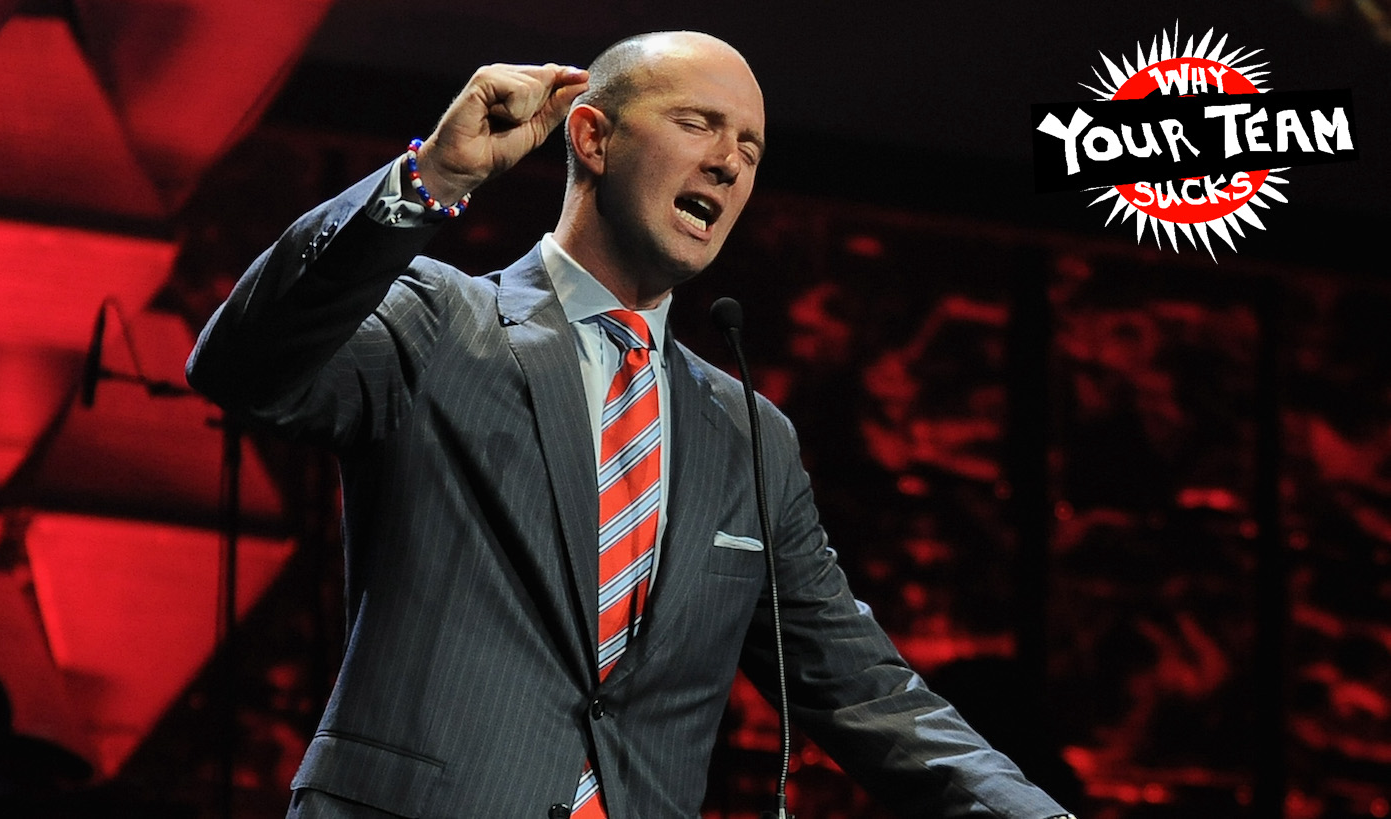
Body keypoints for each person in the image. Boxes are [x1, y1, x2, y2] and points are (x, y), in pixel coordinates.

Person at [188, 30, 1072, 819]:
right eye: (700, 123)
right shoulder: (436, 320)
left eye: (752, 149)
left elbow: (865, 689)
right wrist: (433, 178)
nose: (731, 162)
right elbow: (241, 368)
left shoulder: (750, 436)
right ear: (593, 137)